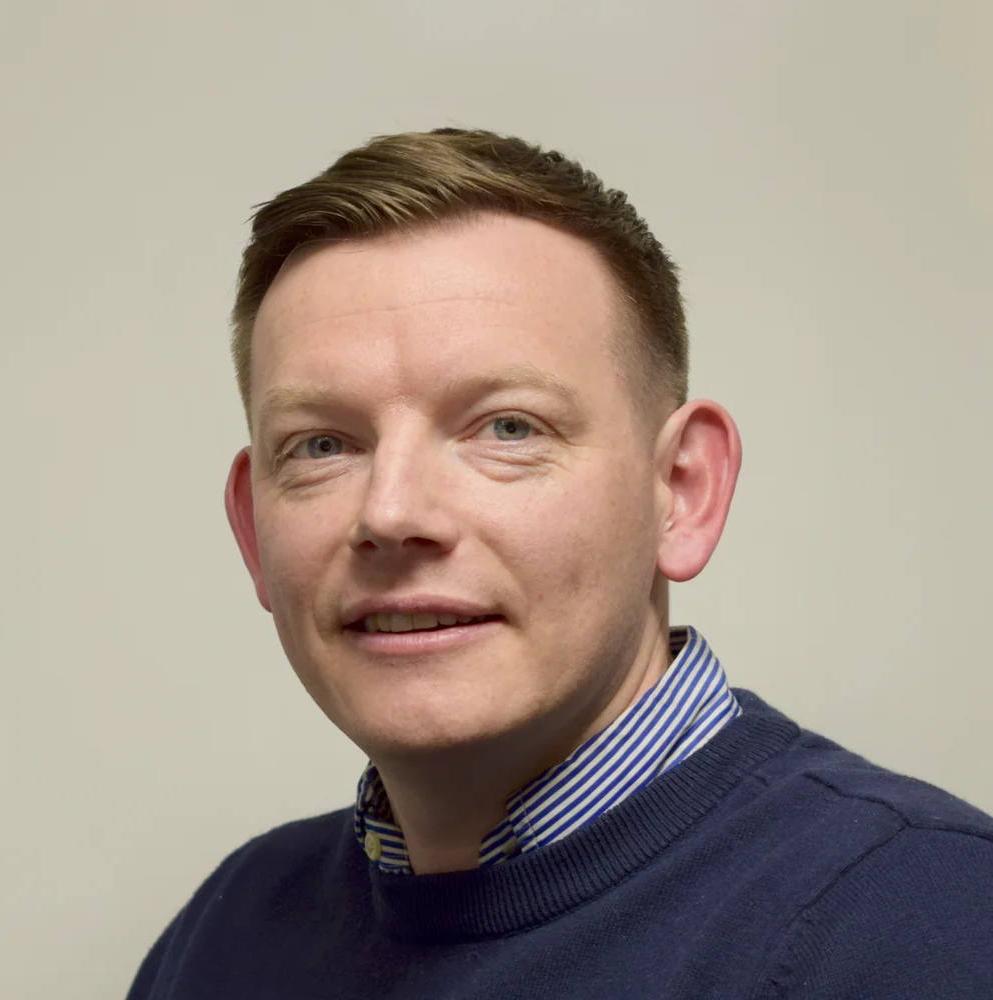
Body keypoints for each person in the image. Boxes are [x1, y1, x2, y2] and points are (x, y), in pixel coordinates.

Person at [127, 128, 993, 999]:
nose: (390, 513)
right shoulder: (224, 937)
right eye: (322, 446)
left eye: (508, 428)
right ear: (253, 531)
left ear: (681, 491)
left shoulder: (919, 922)